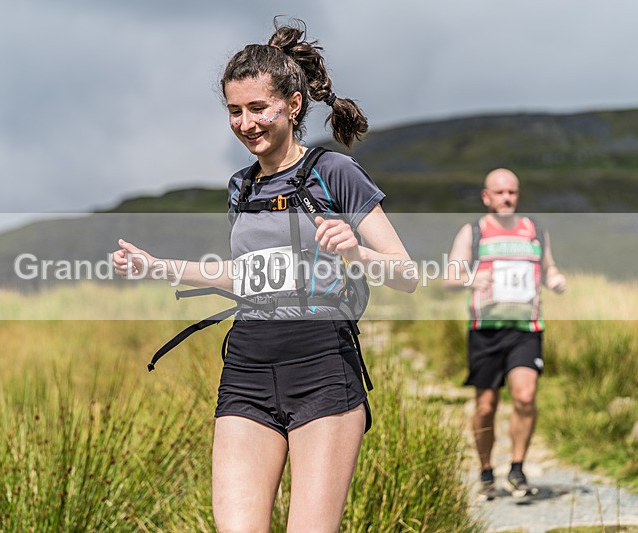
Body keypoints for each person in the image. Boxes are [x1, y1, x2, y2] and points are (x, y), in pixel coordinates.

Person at [112, 19, 417, 532]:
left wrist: (355, 252)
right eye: (235, 111)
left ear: (293, 105)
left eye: (258, 108)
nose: (246, 123)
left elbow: (406, 274)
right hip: (247, 366)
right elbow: (250, 276)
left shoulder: (334, 172)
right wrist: (158, 267)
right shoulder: (241, 187)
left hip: (322, 364)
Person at [445, 168, 567, 500]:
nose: (506, 198)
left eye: (512, 192)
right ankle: (486, 470)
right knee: (486, 406)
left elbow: (549, 268)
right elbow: (449, 277)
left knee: (525, 396)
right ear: (486, 197)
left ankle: (517, 468)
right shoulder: (473, 232)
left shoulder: (535, 230)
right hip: (485, 331)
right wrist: (471, 279)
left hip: (526, 329)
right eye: (499, 193)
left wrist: (555, 280)